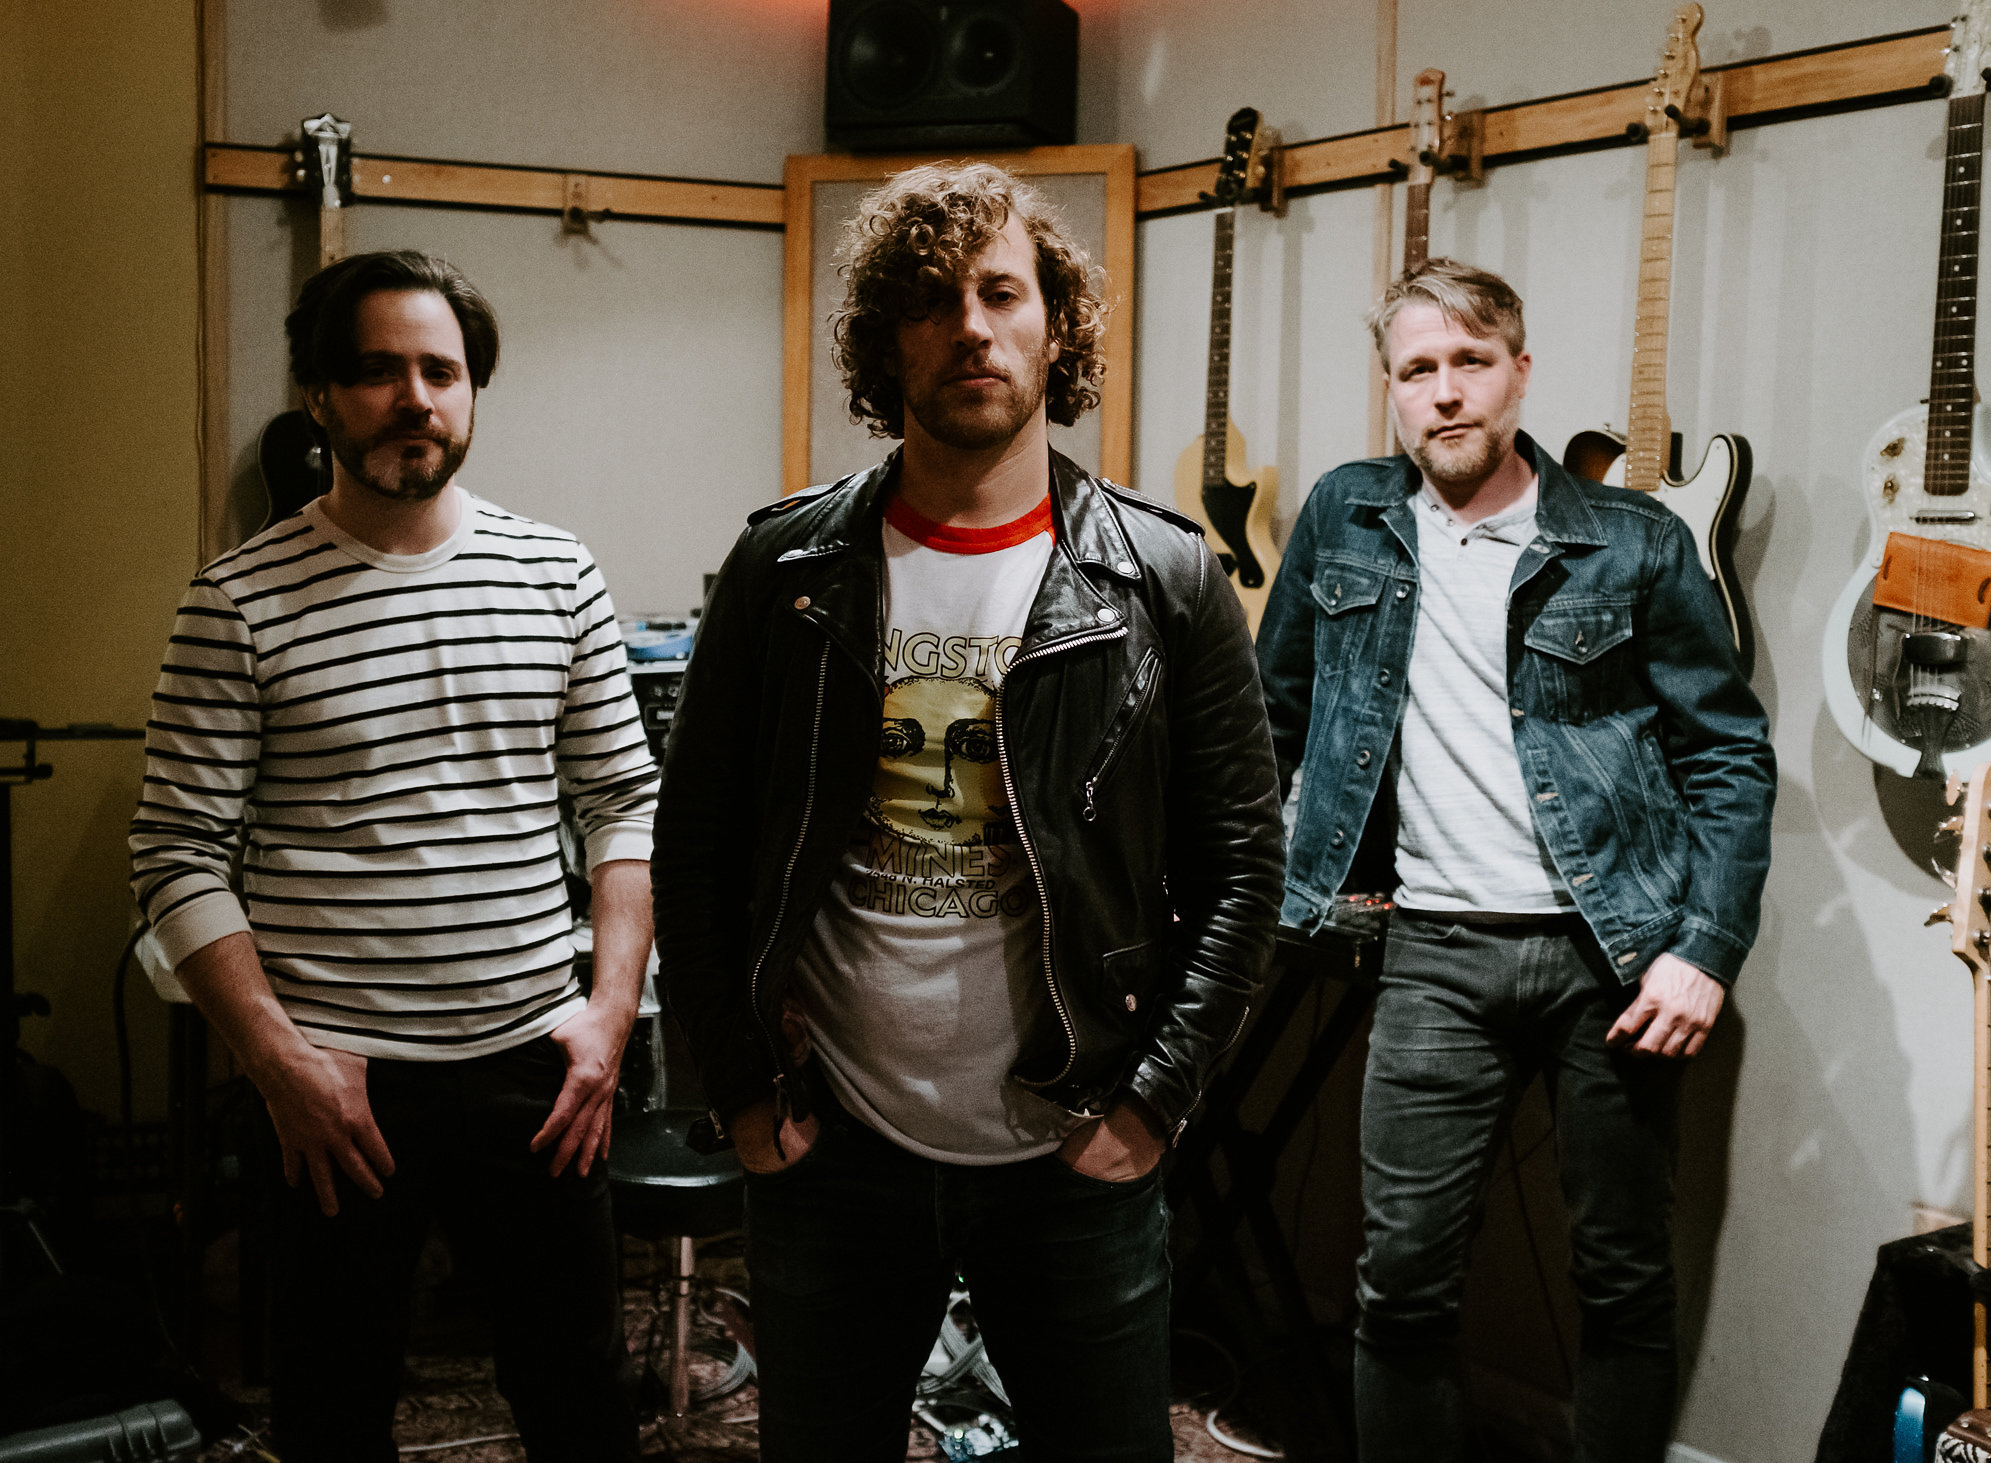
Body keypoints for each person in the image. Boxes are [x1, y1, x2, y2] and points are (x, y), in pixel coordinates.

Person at [652, 162, 1285, 1460]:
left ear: (1057, 326)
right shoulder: (784, 568)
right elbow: (693, 843)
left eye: (1001, 292)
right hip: (832, 1145)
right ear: (886, 340)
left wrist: (1153, 1100)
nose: (970, 327)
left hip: (1076, 1138)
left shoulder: (1163, 575)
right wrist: (742, 1092)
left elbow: (1242, 868)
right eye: (930, 299)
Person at [129, 250, 654, 1463]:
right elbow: (174, 850)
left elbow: (623, 800)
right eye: (376, 371)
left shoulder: (556, 572)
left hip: (538, 1069)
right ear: (318, 395)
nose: (414, 398)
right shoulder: (235, 600)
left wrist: (609, 1015)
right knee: (331, 1410)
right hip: (337, 1088)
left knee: (581, 1398)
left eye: (440, 371)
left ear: (471, 391)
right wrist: (278, 1063)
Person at [1257, 258, 1775, 1460]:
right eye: (1415, 369)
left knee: (1622, 1280)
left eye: (1469, 362)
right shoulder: (1344, 514)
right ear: (1390, 388)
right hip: (1430, 954)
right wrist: (1259, 881)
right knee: (1399, 1286)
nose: (1444, 392)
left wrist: (1703, 949)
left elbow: (1726, 754)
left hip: (1616, 960)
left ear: (1518, 372)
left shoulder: (1630, 539)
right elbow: (1264, 721)